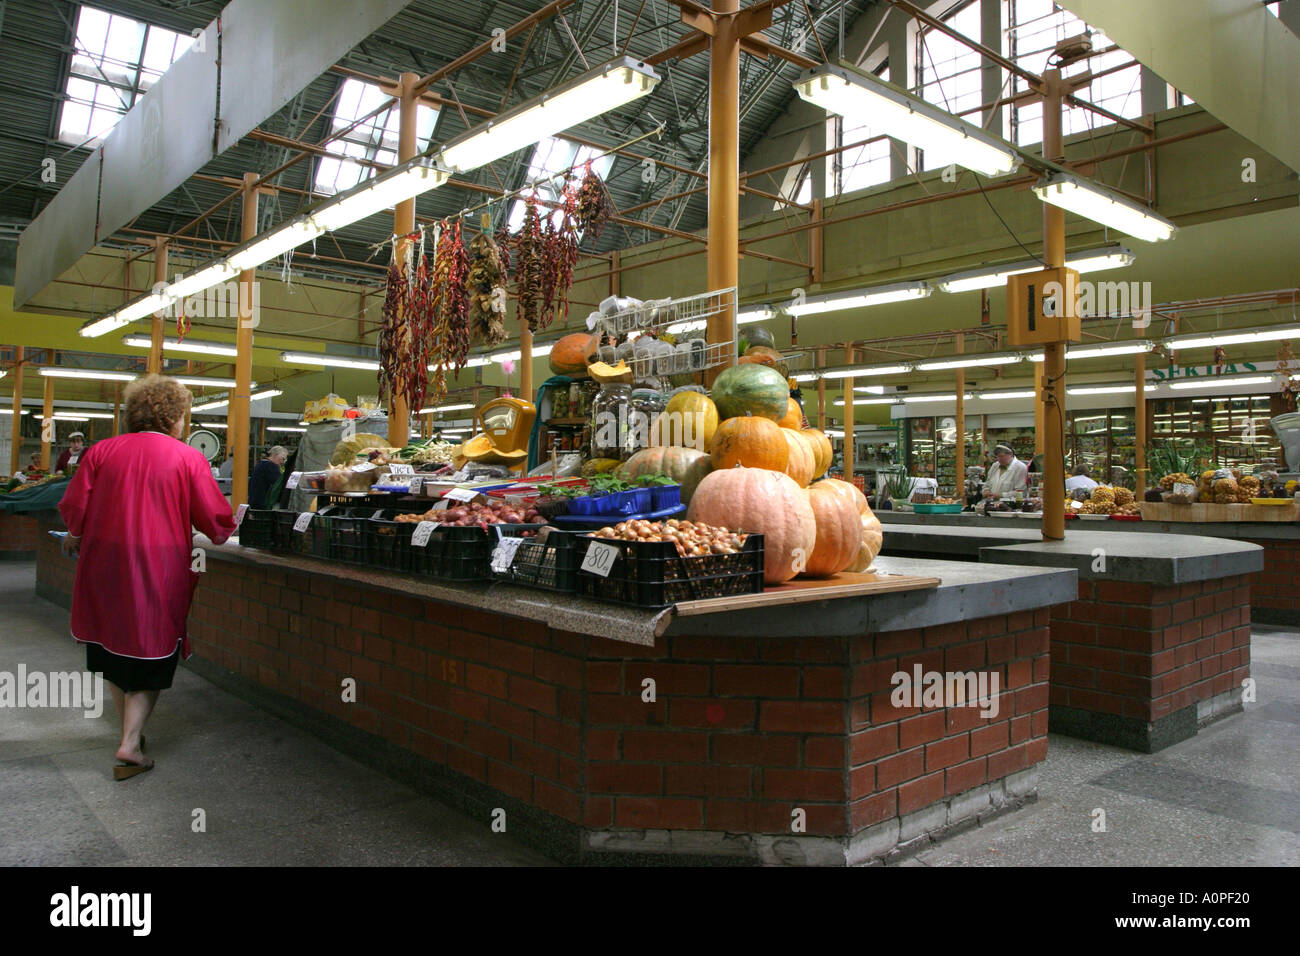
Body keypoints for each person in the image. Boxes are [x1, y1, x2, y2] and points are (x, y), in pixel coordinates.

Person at [58, 374, 235, 781]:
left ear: (133, 413)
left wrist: (75, 534)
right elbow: (215, 522)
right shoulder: (188, 457)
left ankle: (129, 735)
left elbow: (74, 510)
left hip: (103, 567)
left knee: (114, 650)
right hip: (160, 568)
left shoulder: (100, 452)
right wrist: (229, 523)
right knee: (151, 651)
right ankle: (130, 743)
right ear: (175, 417)